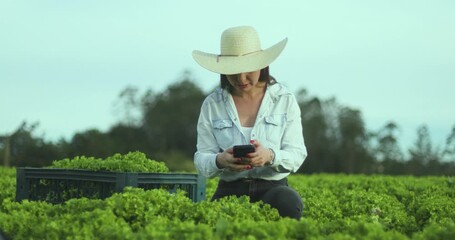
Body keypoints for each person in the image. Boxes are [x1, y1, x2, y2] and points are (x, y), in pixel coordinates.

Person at [192, 26, 307, 220]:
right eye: (233, 71)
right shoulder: (212, 104)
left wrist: (270, 156)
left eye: (248, 70)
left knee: (289, 201)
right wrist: (220, 160)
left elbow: (297, 153)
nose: (241, 78)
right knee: (208, 221)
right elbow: (201, 157)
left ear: (261, 65)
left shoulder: (283, 99)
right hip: (230, 188)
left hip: (272, 188)